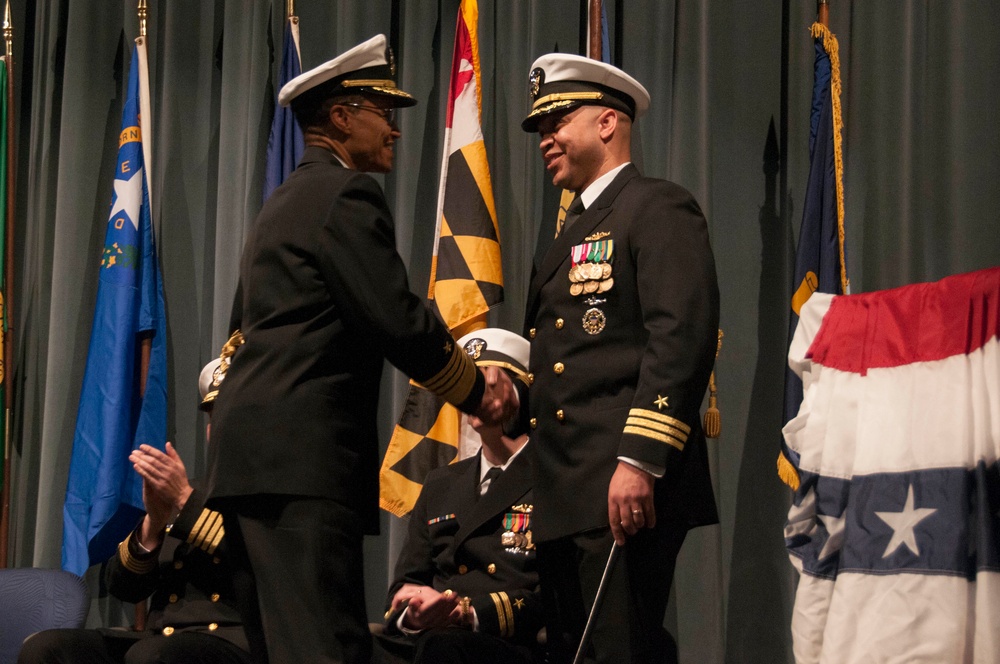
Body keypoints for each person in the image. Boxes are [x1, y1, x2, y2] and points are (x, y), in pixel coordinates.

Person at [203, 35, 517, 664]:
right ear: (342, 117)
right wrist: (480, 393)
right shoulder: (345, 196)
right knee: (325, 649)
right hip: (302, 467)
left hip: (246, 469)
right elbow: (397, 319)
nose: (395, 131)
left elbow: (240, 337)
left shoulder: (283, 203)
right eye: (383, 113)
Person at [519, 54, 721, 663]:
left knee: (619, 652)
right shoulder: (571, 229)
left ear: (608, 123)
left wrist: (639, 460)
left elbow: (679, 338)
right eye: (539, 128)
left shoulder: (656, 207)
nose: (545, 139)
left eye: (557, 121)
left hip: (621, 487)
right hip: (563, 494)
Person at [18, 360, 249, 664]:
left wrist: (183, 500)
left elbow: (262, 563)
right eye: (215, 419)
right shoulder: (184, 493)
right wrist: (153, 523)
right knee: (48, 649)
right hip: (160, 640)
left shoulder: (278, 498)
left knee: (150, 657)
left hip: (233, 642)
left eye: (231, 417)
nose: (219, 428)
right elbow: (125, 587)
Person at [372, 328, 543, 664]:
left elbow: (556, 593)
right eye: (465, 389)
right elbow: (407, 581)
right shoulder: (441, 483)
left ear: (517, 389)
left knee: (445, 649)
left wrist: (468, 612)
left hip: (503, 641)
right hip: (429, 639)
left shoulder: (550, 479)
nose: (470, 399)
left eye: (481, 387)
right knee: (338, 644)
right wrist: (413, 610)